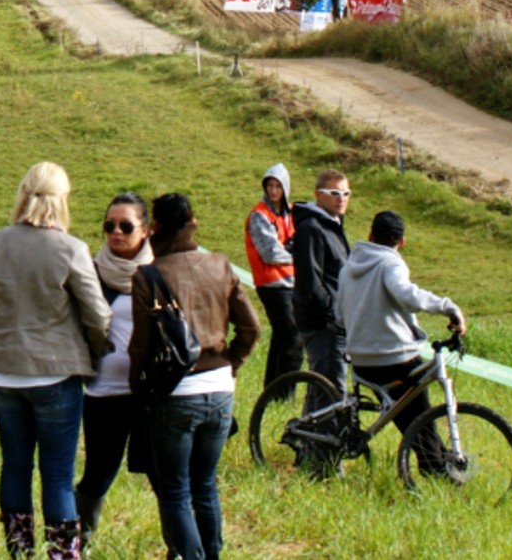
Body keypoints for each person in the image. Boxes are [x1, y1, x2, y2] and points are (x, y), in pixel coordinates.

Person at [0, 162, 110, 560]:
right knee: (58, 476)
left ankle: (20, 553)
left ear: (23, 194)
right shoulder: (71, 249)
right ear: (63, 200)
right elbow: (98, 316)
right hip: (55, 373)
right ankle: (62, 555)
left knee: (14, 466)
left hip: (1, 373)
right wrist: (94, 349)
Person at [130, 193, 260, 560]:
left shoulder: (148, 276)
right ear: (193, 223)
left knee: (175, 491)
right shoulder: (220, 265)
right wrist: (231, 363)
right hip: (220, 390)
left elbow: (140, 345)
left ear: (155, 228)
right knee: (205, 486)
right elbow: (251, 328)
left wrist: (138, 387)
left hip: (174, 392)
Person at [334, 210, 465, 474]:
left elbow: (339, 316)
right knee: (419, 411)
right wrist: (447, 307)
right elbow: (406, 295)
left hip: (361, 361)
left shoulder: (348, 268)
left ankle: (436, 460)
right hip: (393, 357)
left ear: (371, 235)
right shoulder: (391, 264)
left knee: (411, 412)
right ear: (401, 242)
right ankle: (435, 466)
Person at [72, 192, 153, 549]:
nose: (116, 232)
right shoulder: (89, 271)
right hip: (103, 393)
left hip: (150, 394)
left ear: (146, 231)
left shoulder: (158, 272)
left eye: (125, 226)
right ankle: (78, 544)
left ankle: (179, 547)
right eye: (109, 225)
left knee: (164, 477)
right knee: (98, 474)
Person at [292, 169, 351, 388]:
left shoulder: (333, 224)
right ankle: (323, 424)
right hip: (322, 324)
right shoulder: (311, 228)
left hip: (335, 321)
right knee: (331, 389)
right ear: (318, 195)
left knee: (323, 387)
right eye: (334, 193)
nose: (341, 199)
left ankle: (309, 423)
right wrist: (331, 315)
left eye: (346, 193)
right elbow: (310, 282)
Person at [245, 163, 301, 386]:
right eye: (270, 185)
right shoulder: (259, 215)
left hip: (290, 284)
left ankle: (272, 390)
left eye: (278, 186)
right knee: (293, 341)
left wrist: (289, 250)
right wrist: (295, 255)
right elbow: (270, 253)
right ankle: (284, 392)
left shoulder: (292, 213)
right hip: (272, 285)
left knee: (281, 339)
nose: (273, 191)